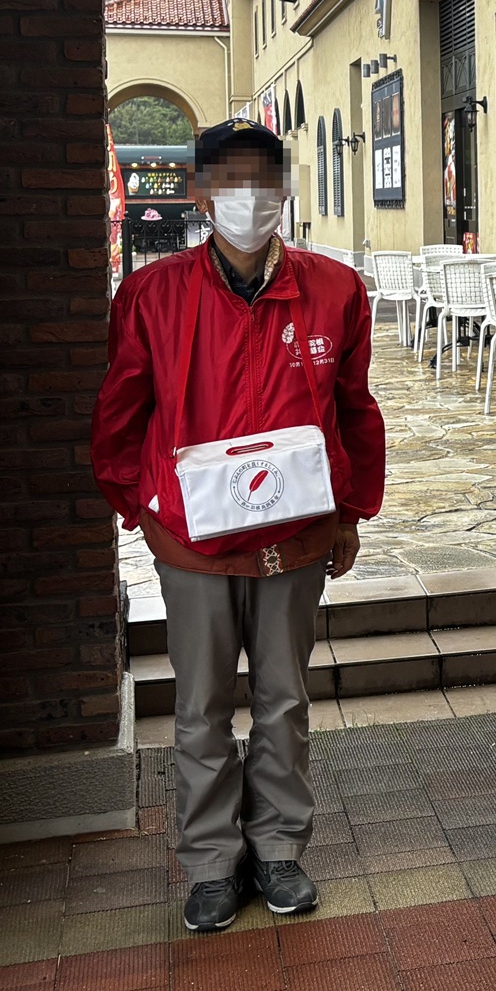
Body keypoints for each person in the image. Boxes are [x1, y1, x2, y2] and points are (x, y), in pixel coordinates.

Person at [91, 119, 385, 932]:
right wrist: (141, 506)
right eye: (230, 180)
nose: (249, 198)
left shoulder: (334, 291)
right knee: (202, 704)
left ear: (284, 190)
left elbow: (355, 408)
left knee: (285, 698)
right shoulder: (152, 296)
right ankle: (212, 860)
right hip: (194, 542)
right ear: (200, 192)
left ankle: (280, 846)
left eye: (264, 180)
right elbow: (121, 412)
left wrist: (352, 511)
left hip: (297, 536)